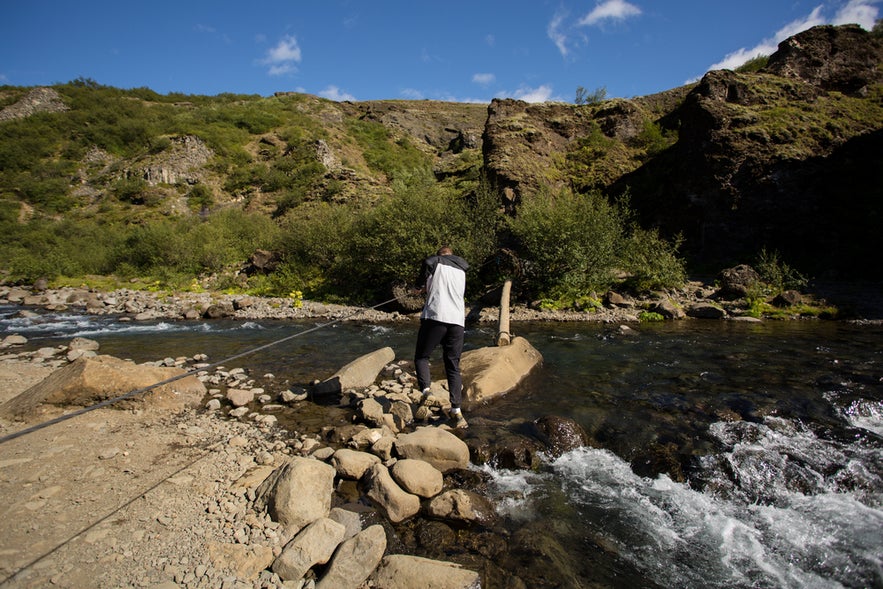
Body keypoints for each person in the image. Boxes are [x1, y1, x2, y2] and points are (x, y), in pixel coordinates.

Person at [414, 246, 469, 428]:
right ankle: (456, 411)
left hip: (436, 317)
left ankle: (427, 391)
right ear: (452, 255)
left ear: (440, 255)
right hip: (458, 321)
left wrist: (417, 288)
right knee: (453, 365)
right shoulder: (462, 269)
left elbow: (427, 282)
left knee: (422, 356)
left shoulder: (435, 263)